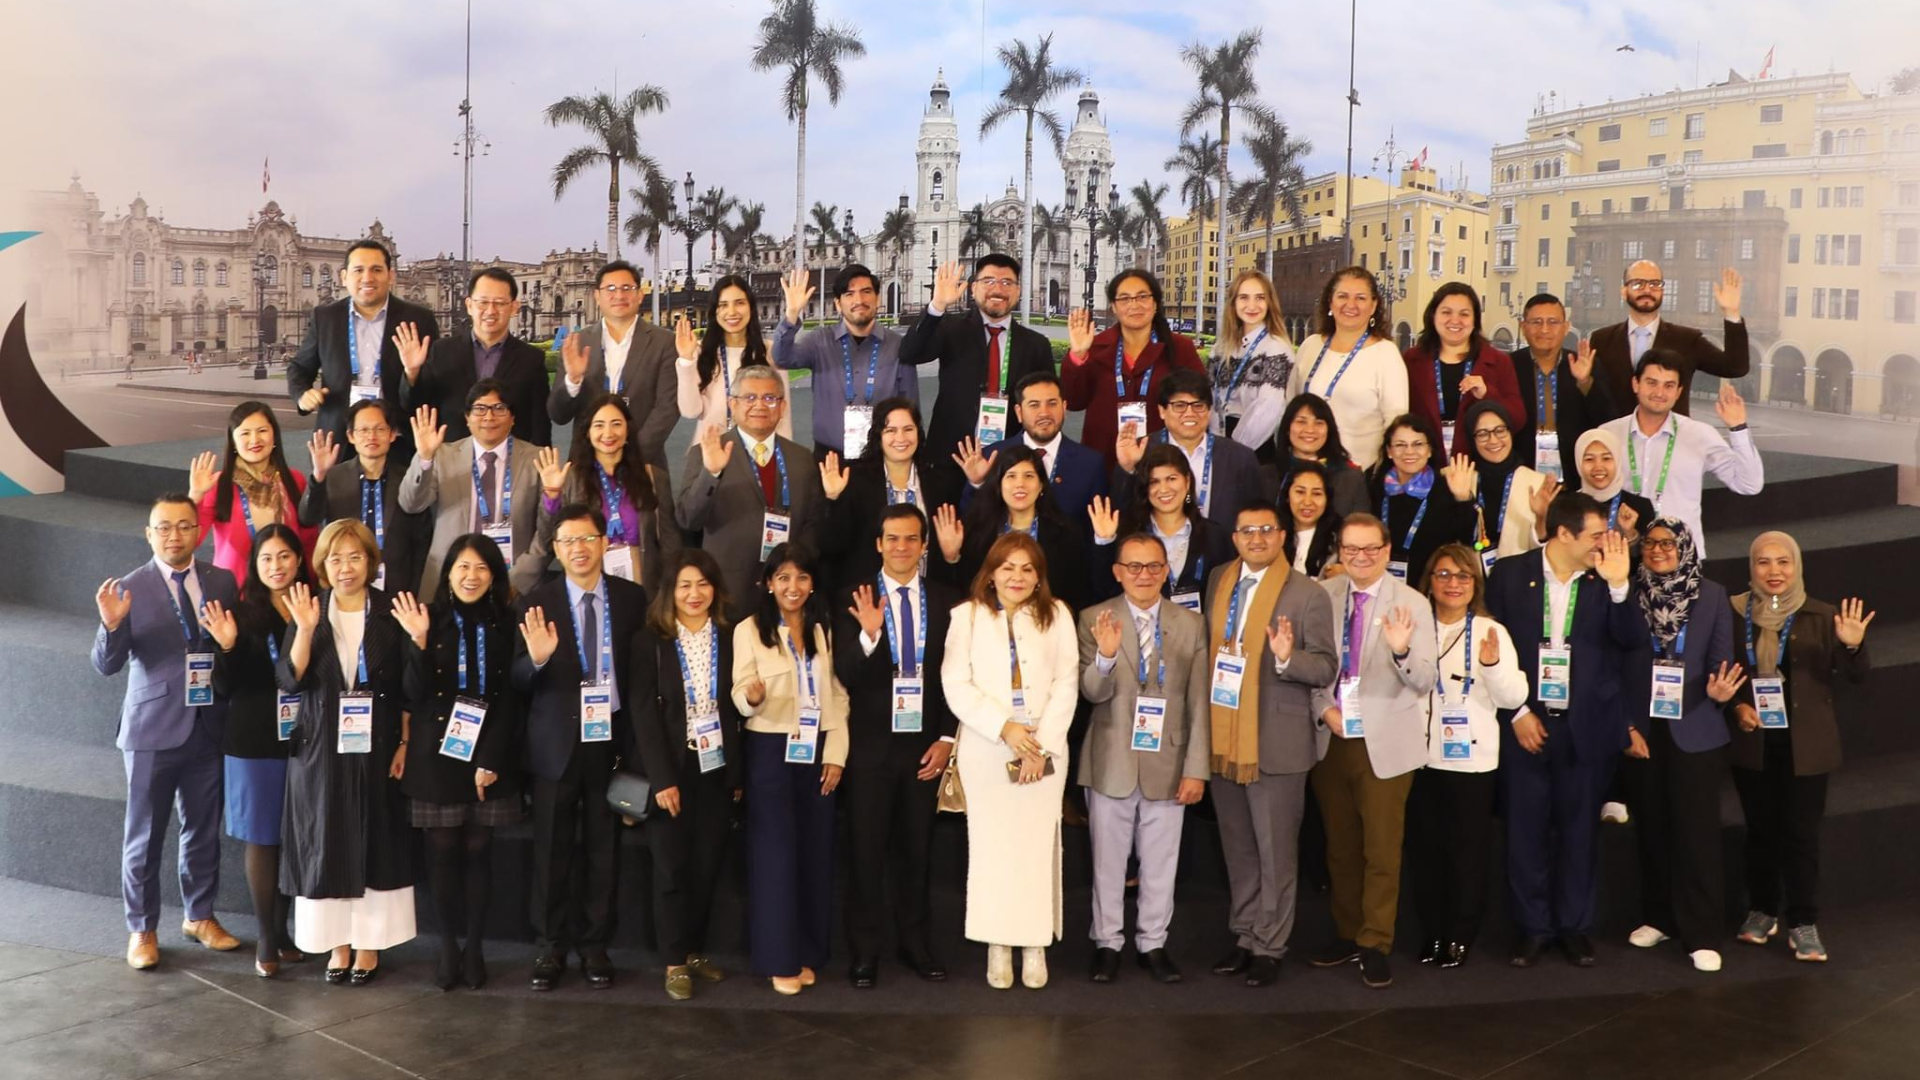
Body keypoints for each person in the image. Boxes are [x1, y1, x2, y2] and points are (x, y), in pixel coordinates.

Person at [1485, 492, 1641, 967]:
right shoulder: (1510, 574)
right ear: (1563, 533)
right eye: (1595, 535)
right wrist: (1517, 712)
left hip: (1585, 727)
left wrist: (1620, 586)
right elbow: (1492, 646)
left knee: (1579, 834)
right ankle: (1533, 928)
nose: (1604, 543)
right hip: (1526, 723)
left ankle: (1574, 927)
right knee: (1525, 833)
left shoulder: (1607, 578)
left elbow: (1632, 640)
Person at [91, 494, 244, 970]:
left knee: (203, 829)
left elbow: (230, 650)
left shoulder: (222, 580)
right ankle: (142, 929)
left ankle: (200, 915)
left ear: (198, 531)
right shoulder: (128, 588)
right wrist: (111, 626)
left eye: (183, 526)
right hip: (151, 730)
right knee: (145, 835)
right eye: (163, 527)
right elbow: (106, 665)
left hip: (208, 724)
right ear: (149, 534)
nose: (174, 536)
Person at [513, 505, 651, 992]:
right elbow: (517, 680)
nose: (579, 549)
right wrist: (536, 661)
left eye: (588, 539)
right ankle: (549, 946)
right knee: (551, 852)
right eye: (568, 541)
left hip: (610, 741)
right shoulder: (536, 602)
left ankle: (595, 945)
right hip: (555, 746)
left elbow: (642, 675)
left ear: (605, 542)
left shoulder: (632, 599)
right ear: (555, 549)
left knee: (602, 850)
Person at [1203, 500, 1338, 987]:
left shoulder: (1308, 594)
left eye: (1266, 530)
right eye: (1247, 531)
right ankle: (1245, 935)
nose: (1256, 538)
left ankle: (1270, 945)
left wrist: (1286, 658)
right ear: (1234, 538)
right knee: (1238, 848)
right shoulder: (1219, 579)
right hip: (1223, 735)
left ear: (1283, 537)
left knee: (1275, 852)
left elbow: (1325, 666)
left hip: (1276, 742)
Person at [276, 519, 414, 985]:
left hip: (378, 745)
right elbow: (289, 680)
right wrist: (304, 629)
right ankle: (337, 943)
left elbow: (408, 688)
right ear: (322, 565)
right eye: (336, 559)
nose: (346, 568)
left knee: (375, 838)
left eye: (355, 557)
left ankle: (370, 944)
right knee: (327, 840)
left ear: (371, 562)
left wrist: (404, 742)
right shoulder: (309, 609)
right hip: (321, 748)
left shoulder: (391, 611)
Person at [1726, 531, 1873, 964]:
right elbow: (1722, 670)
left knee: (1800, 835)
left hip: (1806, 746)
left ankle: (1803, 922)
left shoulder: (1822, 615)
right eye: (1764, 562)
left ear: (1797, 566)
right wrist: (1736, 706)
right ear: (1751, 567)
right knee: (1759, 832)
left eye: (1783, 562)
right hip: (1754, 741)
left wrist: (1851, 644)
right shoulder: (1733, 612)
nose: (1774, 571)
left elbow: (1856, 676)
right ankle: (1762, 910)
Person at [941, 532, 1080, 989]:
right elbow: (956, 684)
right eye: (1007, 568)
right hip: (988, 746)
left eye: (1026, 569)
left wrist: (1042, 745)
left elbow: (1066, 681)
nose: (1016, 577)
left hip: (1044, 748)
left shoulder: (1057, 615)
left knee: (1036, 848)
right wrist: (1006, 729)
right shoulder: (967, 617)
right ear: (991, 574)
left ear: (1039, 576)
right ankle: (997, 944)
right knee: (991, 849)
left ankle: (1034, 944)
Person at [831, 505, 961, 987]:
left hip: (925, 749)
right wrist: (869, 634)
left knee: (918, 853)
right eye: (892, 538)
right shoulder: (853, 597)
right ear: (878, 544)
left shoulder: (948, 601)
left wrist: (947, 738)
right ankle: (864, 952)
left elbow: (957, 677)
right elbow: (844, 673)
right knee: (865, 855)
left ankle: (916, 945)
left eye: (911, 539)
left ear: (924, 546)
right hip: (869, 750)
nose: (901, 547)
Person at [1308, 513, 1437, 990]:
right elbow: (1311, 670)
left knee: (1381, 849)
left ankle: (1375, 942)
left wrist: (1401, 651)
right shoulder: (1322, 596)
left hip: (1385, 742)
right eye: (1351, 549)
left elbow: (1425, 678)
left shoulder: (1411, 602)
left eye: (1370, 549)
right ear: (1339, 551)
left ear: (1386, 551)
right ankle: (1347, 933)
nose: (1360, 557)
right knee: (1340, 848)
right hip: (1333, 736)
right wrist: (1323, 709)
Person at [1077, 533, 1210, 984]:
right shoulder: (1094, 618)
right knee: (1107, 862)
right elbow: (1091, 693)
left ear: (1165, 570)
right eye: (1133, 566)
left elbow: (1199, 702)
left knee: (1161, 863)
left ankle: (1153, 943)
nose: (1144, 575)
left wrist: (1196, 768)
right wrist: (1106, 656)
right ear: (1117, 572)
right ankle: (1107, 943)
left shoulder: (1191, 624)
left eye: (1153, 566)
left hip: (1169, 760)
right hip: (1111, 758)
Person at [394, 535, 523, 991]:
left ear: (494, 576)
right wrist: (419, 641)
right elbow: (413, 692)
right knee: (442, 852)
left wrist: (491, 759)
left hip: (491, 752)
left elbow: (511, 696)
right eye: (463, 567)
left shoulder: (508, 622)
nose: (472, 576)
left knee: (479, 851)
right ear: (448, 572)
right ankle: (448, 944)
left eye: (482, 568)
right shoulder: (425, 617)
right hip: (436, 753)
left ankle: (476, 946)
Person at [1617, 517, 1742, 973]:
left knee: (1697, 835)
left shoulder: (1711, 594)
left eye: (1668, 543)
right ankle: (1659, 917)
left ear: (1685, 547)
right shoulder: (1627, 593)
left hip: (1696, 727)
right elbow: (1615, 664)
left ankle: (1703, 933)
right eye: (1650, 543)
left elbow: (1722, 658)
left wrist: (1721, 692)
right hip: (1644, 731)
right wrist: (1625, 726)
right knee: (1652, 828)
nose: (1657, 550)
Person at [731, 544, 848, 994]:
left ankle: (807, 952)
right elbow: (740, 692)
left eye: (801, 577)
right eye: (782, 578)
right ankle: (779, 959)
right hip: (770, 751)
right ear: (768, 584)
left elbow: (838, 695)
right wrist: (753, 697)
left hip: (817, 749)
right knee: (775, 857)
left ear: (812, 583)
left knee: (815, 853)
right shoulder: (749, 630)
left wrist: (836, 752)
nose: (792, 587)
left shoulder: (823, 628)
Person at [1408, 543, 1527, 969]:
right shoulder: (1413, 627)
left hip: (1471, 763)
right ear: (1429, 582)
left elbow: (1513, 696)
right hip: (1419, 758)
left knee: (1467, 855)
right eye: (1443, 575)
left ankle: (1460, 935)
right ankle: (1432, 932)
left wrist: (1491, 666)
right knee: (1426, 853)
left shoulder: (1491, 631)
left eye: (1463, 576)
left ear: (1475, 583)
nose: (1453, 584)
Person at [632, 550, 743, 1000]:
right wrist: (662, 779)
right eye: (684, 585)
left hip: (716, 767)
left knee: (706, 864)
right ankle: (674, 961)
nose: (694, 594)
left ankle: (694, 949)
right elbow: (642, 714)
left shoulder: (732, 636)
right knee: (671, 868)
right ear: (669, 591)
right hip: (672, 768)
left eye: (703, 584)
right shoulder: (650, 641)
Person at [202, 524, 311, 977]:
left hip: (304, 738)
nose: (276, 566)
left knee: (293, 838)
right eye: (266, 558)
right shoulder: (240, 614)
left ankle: (284, 932)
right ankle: (266, 935)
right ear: (255, 565)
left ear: (299, 560)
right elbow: (222, 687)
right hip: (252, 740)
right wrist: (226, 647)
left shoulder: (313, 608)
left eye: (284, 556)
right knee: (263, 839)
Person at [675, 365, 827, 617]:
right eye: (749, 398)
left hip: (786, 595)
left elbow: (811, 524)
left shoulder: (801, 458)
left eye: (769, 398)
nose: (759, 405)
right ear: (732, 404)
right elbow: (688, 519)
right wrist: (711, 473)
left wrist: (796, 574)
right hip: (727, 592)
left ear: (782, 407)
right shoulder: (706, 452)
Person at [1596, 348, 1764, 556]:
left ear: (1678, 392)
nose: (1659, 393)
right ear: (1635, 384)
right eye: (1652, 383)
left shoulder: (1700, 434)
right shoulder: (1608, 434)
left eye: (1669, 386)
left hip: (1680, 558)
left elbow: (1749, 484)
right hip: (1621, 553)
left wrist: (1738, 428)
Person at [287, 239, 441, 458]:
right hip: (338, 442)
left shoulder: (418, 319)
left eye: (376, 270)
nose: (367, 278)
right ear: (344, 277)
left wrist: (413, 373)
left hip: (398, 441)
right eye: (358, 270)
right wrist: (302, 394)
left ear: (391, 275)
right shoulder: (325, 318)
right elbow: (299, 368)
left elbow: (433, 388)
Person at [900, 256, 1054, 472]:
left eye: (1007, 282)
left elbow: (1048, 402)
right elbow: (910, 353)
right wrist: (937, 306)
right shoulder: (950, 328)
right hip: (951, 459)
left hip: (1012, 462)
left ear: (1018, 291)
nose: (997, 289)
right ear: (973, 289)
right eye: (988, 281)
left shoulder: (1036, 345)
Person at [399, 382, 547, 599]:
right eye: (479, 409)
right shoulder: (442, 455)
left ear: (513, 417)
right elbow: (411, 504)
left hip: (513, 583)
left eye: (499, 408)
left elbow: (546, 529)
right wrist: (424, 458)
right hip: (449, 581)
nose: (489, 417)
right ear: (467, 418)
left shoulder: (538, 459)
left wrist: (520, 579)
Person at [534, 392, 681, 597]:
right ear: (588, 432)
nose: (608, 433)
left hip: (644, 590)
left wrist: (670, 593)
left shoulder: (653, 477)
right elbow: (548, 538)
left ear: (628, 430)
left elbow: (669, 543)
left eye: (616, 424)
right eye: (599, 425)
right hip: (589, 586)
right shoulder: (570, 479)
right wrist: (552, 495)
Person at [1062, 269, 1207, 471]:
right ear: (1114, 307)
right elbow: (1075, 401)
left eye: (1142, 296)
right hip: (1103, 459)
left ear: (1155, 303)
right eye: (1124, 299)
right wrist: (1078, 355)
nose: (1134, 305)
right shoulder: (1095, 347)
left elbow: (1200, 402)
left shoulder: (1180, 348)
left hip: (1162, 462)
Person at [773, 265, 919, 456]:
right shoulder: (819, 341)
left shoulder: (899, 346)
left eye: (866, 291)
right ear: (838, 304)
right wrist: (791, 314)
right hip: (829, 458)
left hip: (884, 457)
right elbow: (782, 358)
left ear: (878, 299)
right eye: (849, 294)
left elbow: (911, 408)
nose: (859, 300)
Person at [819, 397, 962, 589]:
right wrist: (833, 498)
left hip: (926, 595)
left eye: (908, 429)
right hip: (870, 597)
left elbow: (952, 547)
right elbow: (831, 546)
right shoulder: (854, 481)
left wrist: (952, 556)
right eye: (891, 430)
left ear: (918, 433)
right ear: (878, 436)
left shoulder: (940, 484)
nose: (901, 438)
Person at [932, 443, 1092, 612]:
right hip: (987, 623)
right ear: (999, 485)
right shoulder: (976, 531)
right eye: (1011, 476)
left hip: (1044, 623)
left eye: (1028, 476)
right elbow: (958, 591)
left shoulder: (1066, 534)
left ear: (1041, 485)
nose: (1020, 484)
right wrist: (951, 557)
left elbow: (1075, 595)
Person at [548, 260, 679, 466]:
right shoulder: (577, 343)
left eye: (627, 288)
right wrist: (573, 380)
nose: (619, 295)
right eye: (610, 288)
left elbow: (667, 408)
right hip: (586, 464)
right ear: (597, 296)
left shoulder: (664, 342)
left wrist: (632, 457)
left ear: (640, 295)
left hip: (643, 466)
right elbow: (558, 414)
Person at [1113, 369, 1273, 538]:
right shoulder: (1140, 451)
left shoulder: (1240, 458)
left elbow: (1257, 516)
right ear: (1162, 411)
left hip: (1221, 552)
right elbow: (1120, 512)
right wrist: (1128, 469)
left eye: (1198, 405)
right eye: (1179, 405)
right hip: (1156, 550)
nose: (1189, 413)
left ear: (1209, 411)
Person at [406, 267, 553, 446]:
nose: (491, 311)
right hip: (453, 456)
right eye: (483, 302)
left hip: (511, 459)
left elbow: (540, 424)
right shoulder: (442, 351)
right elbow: (416, 405)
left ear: (514, 307)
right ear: (469, 305)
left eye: (500, 303)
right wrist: (412, 373)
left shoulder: (531, 359)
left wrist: (541, 460)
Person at [1587, 262, 1749, 418]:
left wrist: (1732, 313)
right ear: (1624, 291)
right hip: (1614, 435)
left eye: (1655, 284)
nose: (1647, 290)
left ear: (1663, 291)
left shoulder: (1687, 340)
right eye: (1638, 284)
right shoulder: (1601, 340)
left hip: (1672, 435)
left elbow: (1735, 367)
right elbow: (1592, 395)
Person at [955, 370, 1110, 533]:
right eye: (1034, 405)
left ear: (1064, 408)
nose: (1044, 413)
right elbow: (971, 525)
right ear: (1019, 412)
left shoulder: (1090, 464)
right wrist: (977, 483)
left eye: (1052, 403)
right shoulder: (992, 456)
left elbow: (1099, 530)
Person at [299, 400, 428, 595]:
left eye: (380, 429)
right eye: (363, 430)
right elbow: (308, 518)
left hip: (397, 591)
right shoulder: (333, 477)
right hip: (344, 584)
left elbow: (421, 542)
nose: (372, 436)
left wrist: (415, 593)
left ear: (393, 434)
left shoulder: (409, 479)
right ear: (351, 436)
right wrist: (318, 477)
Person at [1288, 267, 1408, 470]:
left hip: (1360, 474)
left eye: (1360, 298)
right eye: (1342, 296)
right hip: (1305, 472)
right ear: (1330, 301)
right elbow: (1291, 405)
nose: (1350, 305)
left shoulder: (1386, 354)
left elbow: (1396, 422)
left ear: (1373, 306)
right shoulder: (1310, 346)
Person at [188, 400, 320, 583]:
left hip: (286, 587)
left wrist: (312, 582)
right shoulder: (218, 485)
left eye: (262, 431)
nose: (254, 440)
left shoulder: (294, 480)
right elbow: (190, 540)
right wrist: (195, 497)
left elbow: (308, 540)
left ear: (274, 435)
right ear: (233, 442)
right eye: (245, 433)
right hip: (236, 588)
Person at [1107, 443, 1234, 611]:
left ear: (1187, 481)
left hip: (1201, 626)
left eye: (1171, 479)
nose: (1164, 489)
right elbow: (1107, 589)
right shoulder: (1131, 534)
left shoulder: (1215, 535)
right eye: (1154, 482)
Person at [1401, 282, 1524, 457]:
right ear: (1433, 315)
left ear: (1475, 320)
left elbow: (1518, 419)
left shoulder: (1498, 361)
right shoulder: (1411, 360)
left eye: (1464, 314)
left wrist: (1488, 394)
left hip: (1478, 463)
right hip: (1423, 463)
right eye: (1446, 312)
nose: (1455, 320)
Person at [673, 272, 790, 441]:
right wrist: (685, 359)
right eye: (723, 305)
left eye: (739, 303)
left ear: (750, 306)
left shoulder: (771, 352)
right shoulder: (700, 351)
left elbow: (782, 416)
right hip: (711, 449)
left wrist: (783, 453)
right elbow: (690, 411)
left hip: (759, 450)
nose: (732, 312)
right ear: (715, 311)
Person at [1366, 414, 1479, 587]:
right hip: (1380, 581)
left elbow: (1468, 541)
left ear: (1430, 450)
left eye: (1418, 444)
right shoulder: (1375, 487)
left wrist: (1463, 498)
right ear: (1389, 451)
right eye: (1400, 445)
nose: (1409, 451)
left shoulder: (1446, 487)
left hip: (1432, 586)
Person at [1509, 294, 1612, 480]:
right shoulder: (1508, 366)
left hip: (1574, 477)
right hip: (1522, 476)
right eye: (1536, 322)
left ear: (1565, 328)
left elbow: (1607, 421)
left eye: (1553, 322)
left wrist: (1584, 382)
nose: (1544, 329)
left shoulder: (1586, 364)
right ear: (1523, 327)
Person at [1211, 269, 1296, 458]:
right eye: (1244, 298)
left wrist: (1234, 451)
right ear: (1233, 302)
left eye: (1260, 298)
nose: (1252, 305)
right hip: (1219, 441)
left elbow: (1269, 409)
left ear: (1269, 303)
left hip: (1254, 447)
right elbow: (1212, 397)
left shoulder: (1275, 348)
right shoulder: (1221, 348)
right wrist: (1215, 441)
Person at [1463, 401, 1557, 564]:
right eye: (1483, 433)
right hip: (1470, 575)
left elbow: (1547, 550)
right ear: (1472, 439)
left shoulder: (1536, 483)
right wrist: (1461, 500)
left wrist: (1541, 518)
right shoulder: (1462, 479)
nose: (1493, 440)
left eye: (1500, 430)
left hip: (1520, 575)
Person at [1276, 392, 1371, 519]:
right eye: (1301, 422)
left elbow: (1361, 528)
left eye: (1319, 423)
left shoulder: (1350, 478)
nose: (1310, 430)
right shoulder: (1266, 476)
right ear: (1287, 428)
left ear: (1329, 430)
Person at [1572, 428, 1653, 545]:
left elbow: (1648, 554)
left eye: (1606, 458)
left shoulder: (1640, 507)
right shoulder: (1567, 506)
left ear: (1618, 460)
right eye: (1589, 459)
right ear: (1579, 462)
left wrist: (1630, 534)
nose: (1598, 467)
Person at [1281, 460, 1342, 578]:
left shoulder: (1341, 538)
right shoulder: (1273, 534)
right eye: (1300, 492)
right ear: (1287, 496)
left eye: (1317, 494)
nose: (1307, 502)